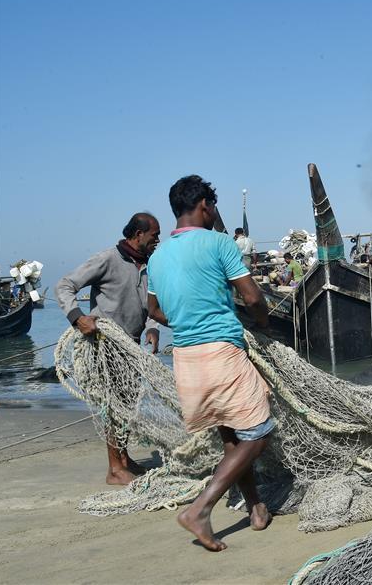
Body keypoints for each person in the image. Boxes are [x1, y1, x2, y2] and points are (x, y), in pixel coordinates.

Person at [146, 175, 272, 552]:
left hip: (186, 358)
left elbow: (154, 310)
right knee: (260, 431)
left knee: (233, 436)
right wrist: (264, 322)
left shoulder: (157, 256)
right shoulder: (220, 243)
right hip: (221, 352)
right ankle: (200, 509)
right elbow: (251, 298)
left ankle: (255, 507)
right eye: (213, 206)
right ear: (205, 205)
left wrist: (187, 321)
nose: (214, 212)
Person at [56, 212, 161, 485]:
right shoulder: (107, 259)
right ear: (138, 235)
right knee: (112, 405)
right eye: (154, 236)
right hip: (105, 345)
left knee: (127, 403)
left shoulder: (148, 264)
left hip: (131, 345)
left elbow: (150, 304)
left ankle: (124, 459)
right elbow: (65, 286)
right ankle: (114, 469)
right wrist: (77, 317)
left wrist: (152, 327)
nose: (157, 241)